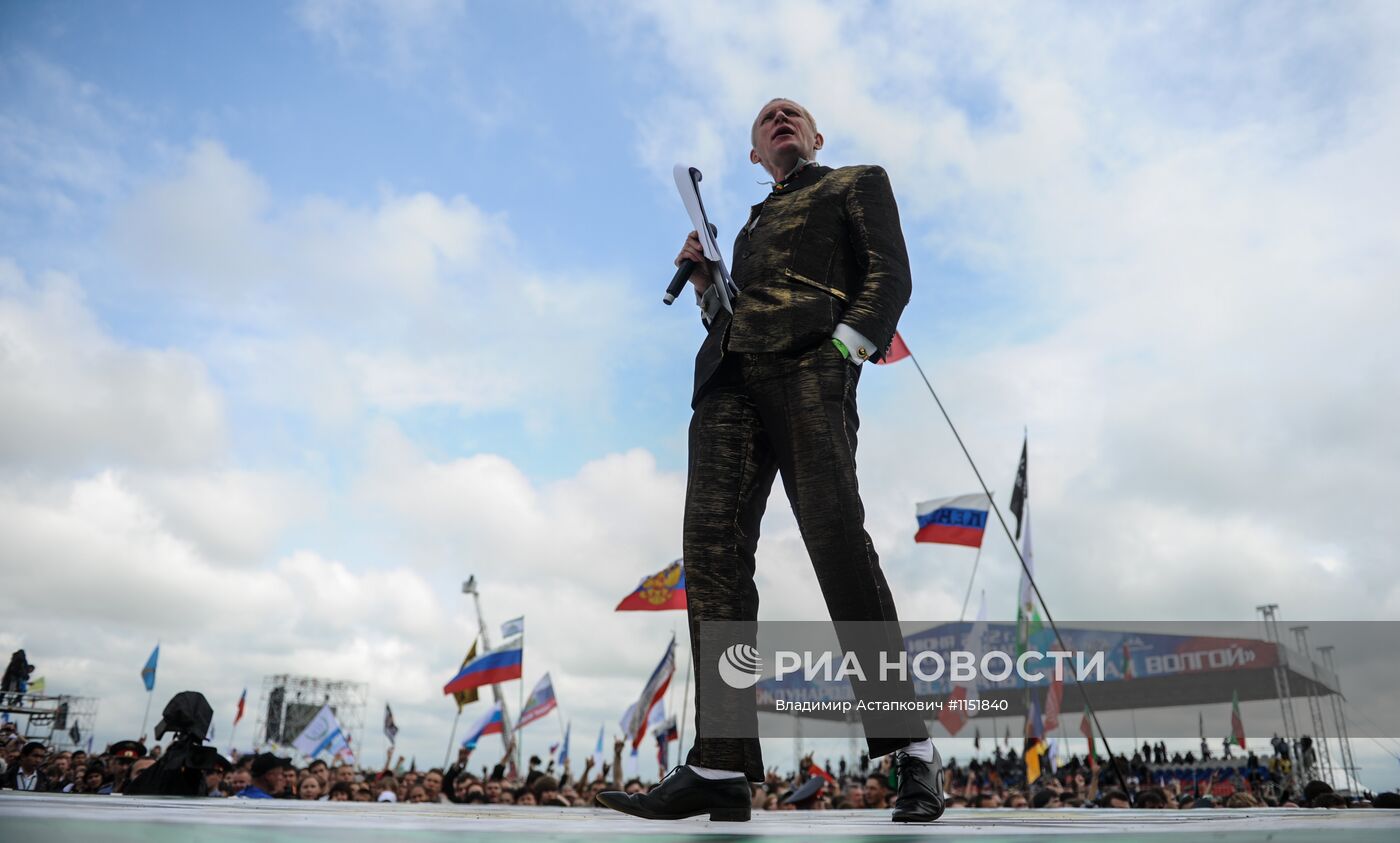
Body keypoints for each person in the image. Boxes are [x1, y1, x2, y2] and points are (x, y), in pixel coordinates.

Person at [596, 98, 940, 824]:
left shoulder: (854, 182)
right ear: (755, 154)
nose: (780, 116)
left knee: (835, 539)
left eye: (794, 113)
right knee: (713, 554)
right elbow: (735, 311)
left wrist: (842, 350)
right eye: (766, 117)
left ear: (816, 137)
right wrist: (703, 285)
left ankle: (912, 749)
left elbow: (891, 275)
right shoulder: (747, 226)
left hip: (813, 364)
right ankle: (720, 762)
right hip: (728, 378)